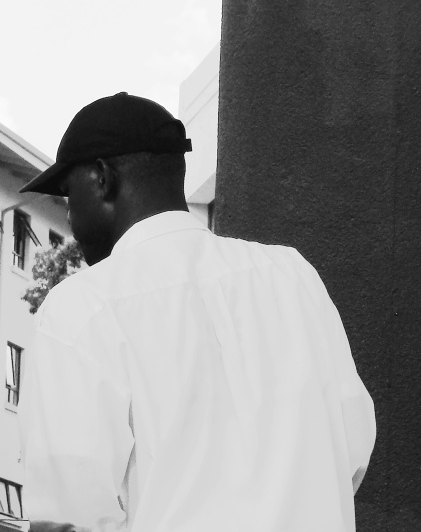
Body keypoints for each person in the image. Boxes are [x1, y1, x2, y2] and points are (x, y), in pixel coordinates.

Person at [17, 92, 376, 532]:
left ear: (103, 179)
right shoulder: (292, 276)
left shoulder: (82, 309)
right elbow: (352, 447)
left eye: (69, 195)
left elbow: (67, 516)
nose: (70, 217)